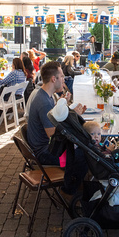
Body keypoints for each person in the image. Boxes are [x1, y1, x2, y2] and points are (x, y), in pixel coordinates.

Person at [26, 61, 87, 196]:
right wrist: (73, 117)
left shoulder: (45, 96)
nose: (64, 79)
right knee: (84, 155)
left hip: (44, 148)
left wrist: (66, 109)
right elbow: (54, 136)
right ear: (54, 79)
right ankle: (69, 191)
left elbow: (56, 120)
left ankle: (76, 184)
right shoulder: (43, 103)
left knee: (83, 147)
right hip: (45, 153)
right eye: (62, 76)